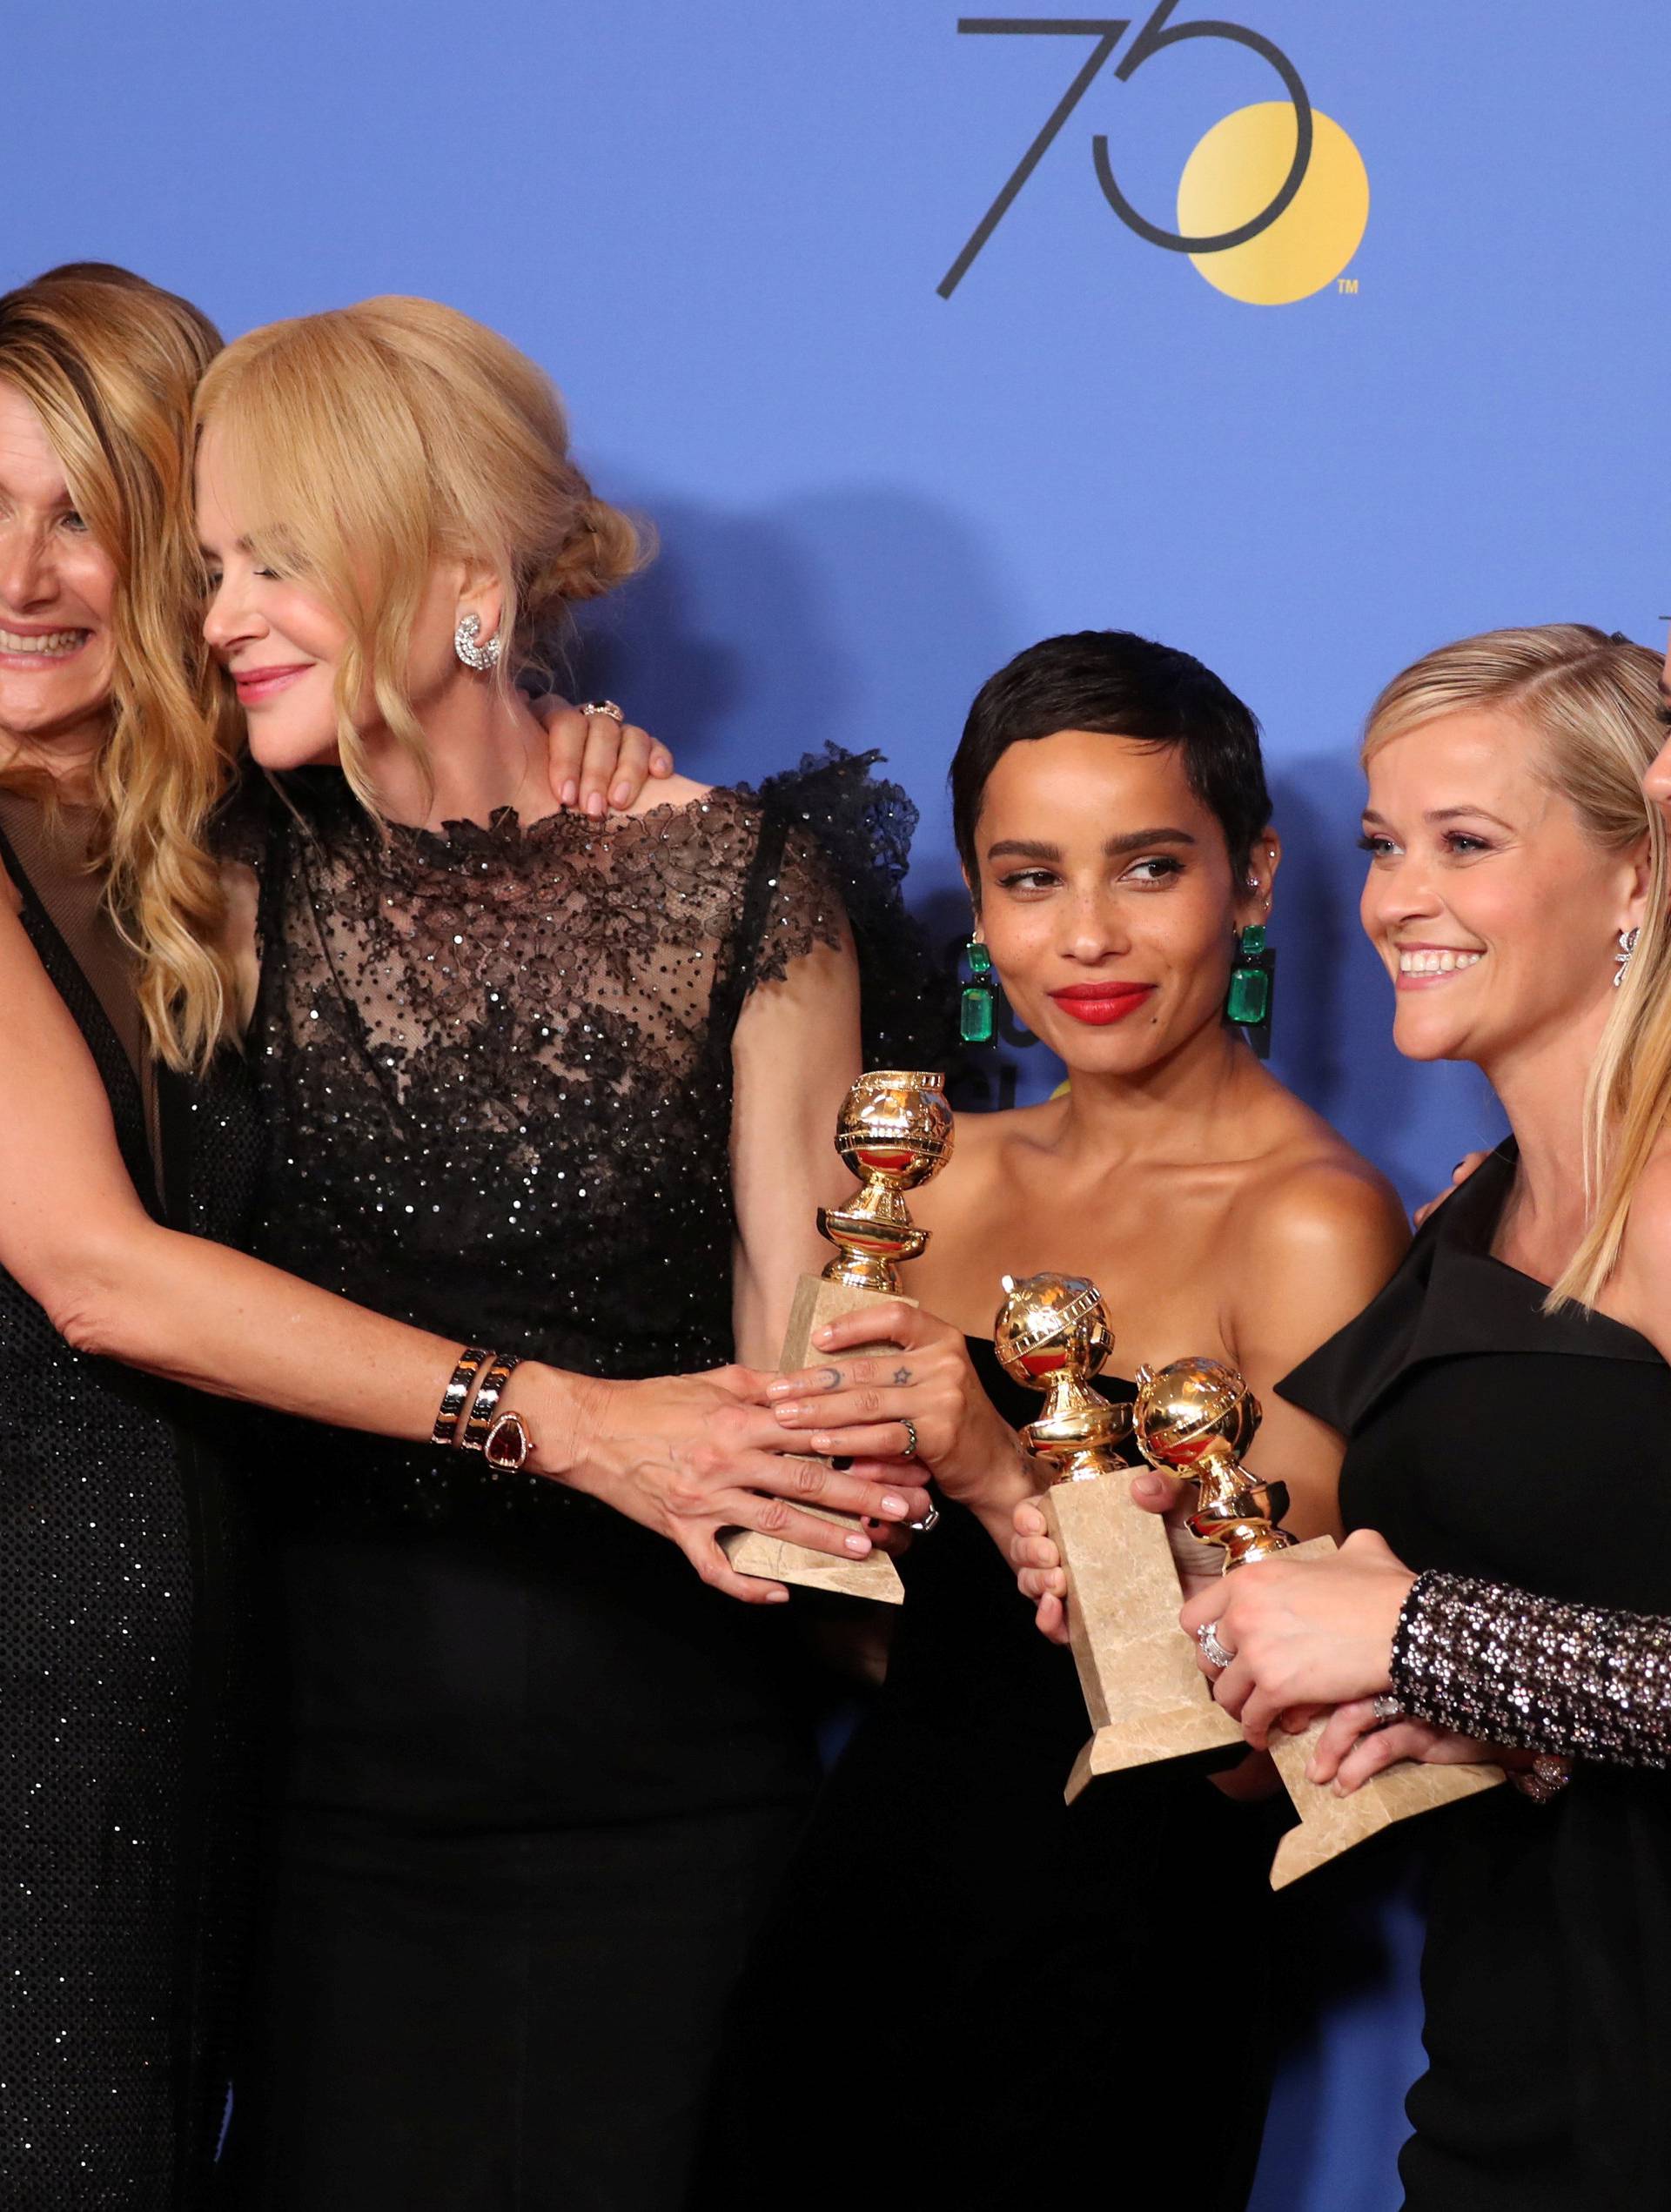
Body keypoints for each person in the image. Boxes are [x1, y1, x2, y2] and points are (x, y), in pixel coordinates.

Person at [0, 270, 928, 2209]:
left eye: (266, 559)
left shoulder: (739, 882)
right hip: (308, 1789)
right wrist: (580, 1421)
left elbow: (803, 1342)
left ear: (457, 577)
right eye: (222, 562)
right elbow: (98, 1258)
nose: (220, 610)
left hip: (674, 1775)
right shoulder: (241, 882)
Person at [696, 629, 1408, 2210]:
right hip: (856, 1912)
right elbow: (860, 1623)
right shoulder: (932, 1179)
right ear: (977, 899)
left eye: (1148, 866)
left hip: (1120, 1970)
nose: (1087, 934)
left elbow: (1253, 1747)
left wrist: (1002, 1460)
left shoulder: (1313, 1223)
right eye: (1029, 878)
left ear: (1255, 875)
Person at [1163, 625, 1671, 2209]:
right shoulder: (1472, 1213)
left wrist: (1421, 1641)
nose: (1396, 898)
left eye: (1468, 843)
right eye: (1385, 843)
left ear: (1639, 873)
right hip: (1515, 2068)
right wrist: (1181, 1585)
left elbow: (1445, 1622)